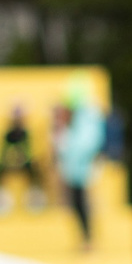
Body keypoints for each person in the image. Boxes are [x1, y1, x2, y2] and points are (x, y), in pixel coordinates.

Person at [55, 81, 106, 246]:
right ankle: (86, 238)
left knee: (83, 203)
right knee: (78, 203)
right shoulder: (82, 116)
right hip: (76, 168)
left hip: (81, 167)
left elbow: (86, 143)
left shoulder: (86, 116)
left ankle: (89, 238)